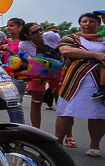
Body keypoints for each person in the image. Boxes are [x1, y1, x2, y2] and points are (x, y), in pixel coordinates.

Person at [55, 13, 105, 157]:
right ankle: (58, 143)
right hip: (74, 80)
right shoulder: (71, 38)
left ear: (98, 24)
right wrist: (96, 56)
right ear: (80, 23)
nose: (88, 24)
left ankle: (94, 145)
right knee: (65, 112)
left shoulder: (103, 40)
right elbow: (66, 50)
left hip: (98, 81)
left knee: (98, 114)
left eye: (92, 21)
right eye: (85, 21)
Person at [17, 22, 61, 130]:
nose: (40, 32)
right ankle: (36, 131)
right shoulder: (23, 45)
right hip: (37, 72)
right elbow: (24, 61)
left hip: (57, 68)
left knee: (61, 101)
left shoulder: (52, 36)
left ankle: (67, 135)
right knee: (36, 102)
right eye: (35, 32)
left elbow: (63, 51)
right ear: (27, 35)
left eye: (40, 29)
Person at [0, 17, 27, 124]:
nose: (8, 28)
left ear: (20, 27)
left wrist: (10, 50)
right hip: (6, 75)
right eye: (8, 25)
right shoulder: (7, 41)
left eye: (11, 26)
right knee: (9, 102)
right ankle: (14, 124)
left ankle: (20, 127)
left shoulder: (23, 43)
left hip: (18, 75)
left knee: (15, 102)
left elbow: (25, 61)